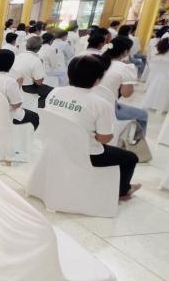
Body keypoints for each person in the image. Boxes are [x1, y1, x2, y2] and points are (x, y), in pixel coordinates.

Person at [45, 56, 141, 200]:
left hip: (55, 145)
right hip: (87, 154)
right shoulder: (100, 104)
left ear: (69, 73)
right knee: (131, 158)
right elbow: (104, 139)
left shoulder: (54, 92)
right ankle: (123, 191)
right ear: (97, 79)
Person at [99, 37, 148, 138]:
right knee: (143, 115)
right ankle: (134, 143)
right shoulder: (126, 68)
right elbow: (126, 94)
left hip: (89, 102)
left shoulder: (96, 60)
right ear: (125, 52)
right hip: (108, 108)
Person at [0, 49, 39, 130]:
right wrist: (18, 86)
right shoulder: (9, 81)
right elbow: (16, 104)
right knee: (35, 117)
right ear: (9, 63)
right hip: (6, 115)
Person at [11, 36, 51, 108]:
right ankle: (39, 110)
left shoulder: (17, 56)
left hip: (16, 83)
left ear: (26, 45)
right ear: (39, 48)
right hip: (27, 87)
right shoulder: (36, 60)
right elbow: (39, 82)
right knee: (51, 91)